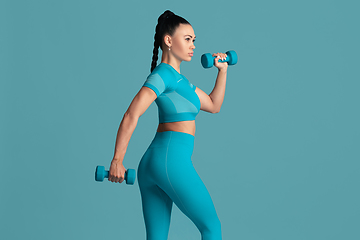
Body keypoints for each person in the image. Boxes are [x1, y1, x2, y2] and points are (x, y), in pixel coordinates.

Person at [108, 10, 228, 240]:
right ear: (169, 41)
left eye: (194, 40)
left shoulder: (180, 81)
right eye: (187, 39)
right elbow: (132, 114)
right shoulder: (162, 75)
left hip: (154, 163)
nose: (193, 45)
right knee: (212, 227)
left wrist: (222, 72)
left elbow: (213, 105)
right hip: (171, 161)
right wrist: (117, 160)